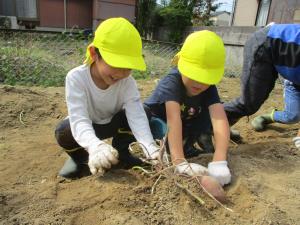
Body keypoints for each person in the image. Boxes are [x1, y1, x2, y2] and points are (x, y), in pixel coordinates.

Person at [54, 17, 161, 178]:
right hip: (89, 127)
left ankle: (122, 154)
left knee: (144, 111)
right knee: (64, 131)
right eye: (116, 65)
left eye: (128, 68)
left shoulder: (127, 82)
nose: (121, 73)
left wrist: (150, 148)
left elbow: (136, 115)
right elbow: (80, 119)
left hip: (113, 123)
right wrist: (95, 146)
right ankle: (81, 160)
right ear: (94, 53)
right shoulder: (76, 78)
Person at [144, 30, 231, 186]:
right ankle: (176, 150)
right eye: (194, 74)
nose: (199, 83)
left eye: (205, 78)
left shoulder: (208, 87)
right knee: (163, 130)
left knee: (207, 115)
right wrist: (179, 162)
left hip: (186, 118)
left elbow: (219, 118)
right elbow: (173, 120)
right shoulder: (172, 81)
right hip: (160, 124)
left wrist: (219, 159)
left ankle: (190, 143)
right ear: (180, 63)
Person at [223, 23, 300, 149]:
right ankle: (204, 123)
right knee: (248, 103)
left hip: (291, 67)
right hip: (267, 43)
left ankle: (222, 126)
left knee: (292, 115)